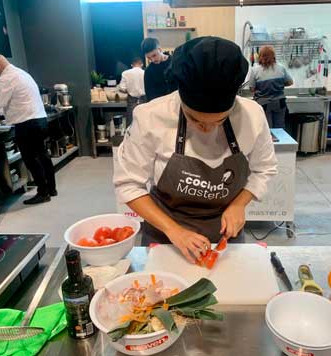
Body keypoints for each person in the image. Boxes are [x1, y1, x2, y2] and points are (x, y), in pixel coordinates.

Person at [114, 37, 277, 263]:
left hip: (225, 233)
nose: (207, 128)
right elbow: (128, 184)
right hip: (166, 234)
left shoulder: (252, 115)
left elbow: (264, 169)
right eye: (195, 119)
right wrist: (174, 231)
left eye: (219, 120)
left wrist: (239, 204)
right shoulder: (150, 116)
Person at [0, 53, 56, 205]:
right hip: (39, 120)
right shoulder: (21, 73)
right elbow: (10, 102)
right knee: (43, 155)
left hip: (27, 124)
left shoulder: (6, 78)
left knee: (31, 159)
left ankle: (43, 193)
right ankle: (51, 188)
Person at [249, 46, 293, 128]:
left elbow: (252, 89)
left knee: (267, 129)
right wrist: (279, 85)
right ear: (273, 56)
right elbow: (290, 82)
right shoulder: (281, 67)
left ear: (260, 56)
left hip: (263, 104)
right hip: (279, 102)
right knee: (280, 128)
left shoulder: (255, 70)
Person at [141, 37, 177, 102]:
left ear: (160, 49)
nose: (152, 60)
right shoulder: (148, 71)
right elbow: (150, 96)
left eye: (154, 55)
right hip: (161, 107)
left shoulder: (175, 62)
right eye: (149, 58)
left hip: (179, 104)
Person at [118, 57, 146, 125]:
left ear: (131, 65)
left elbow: (122, 88)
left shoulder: (125, 73)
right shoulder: (146, 73)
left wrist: (128, 90)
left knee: (131, 123)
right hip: (144, 100)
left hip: (132, 100)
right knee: (144, 122)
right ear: (142, 64)